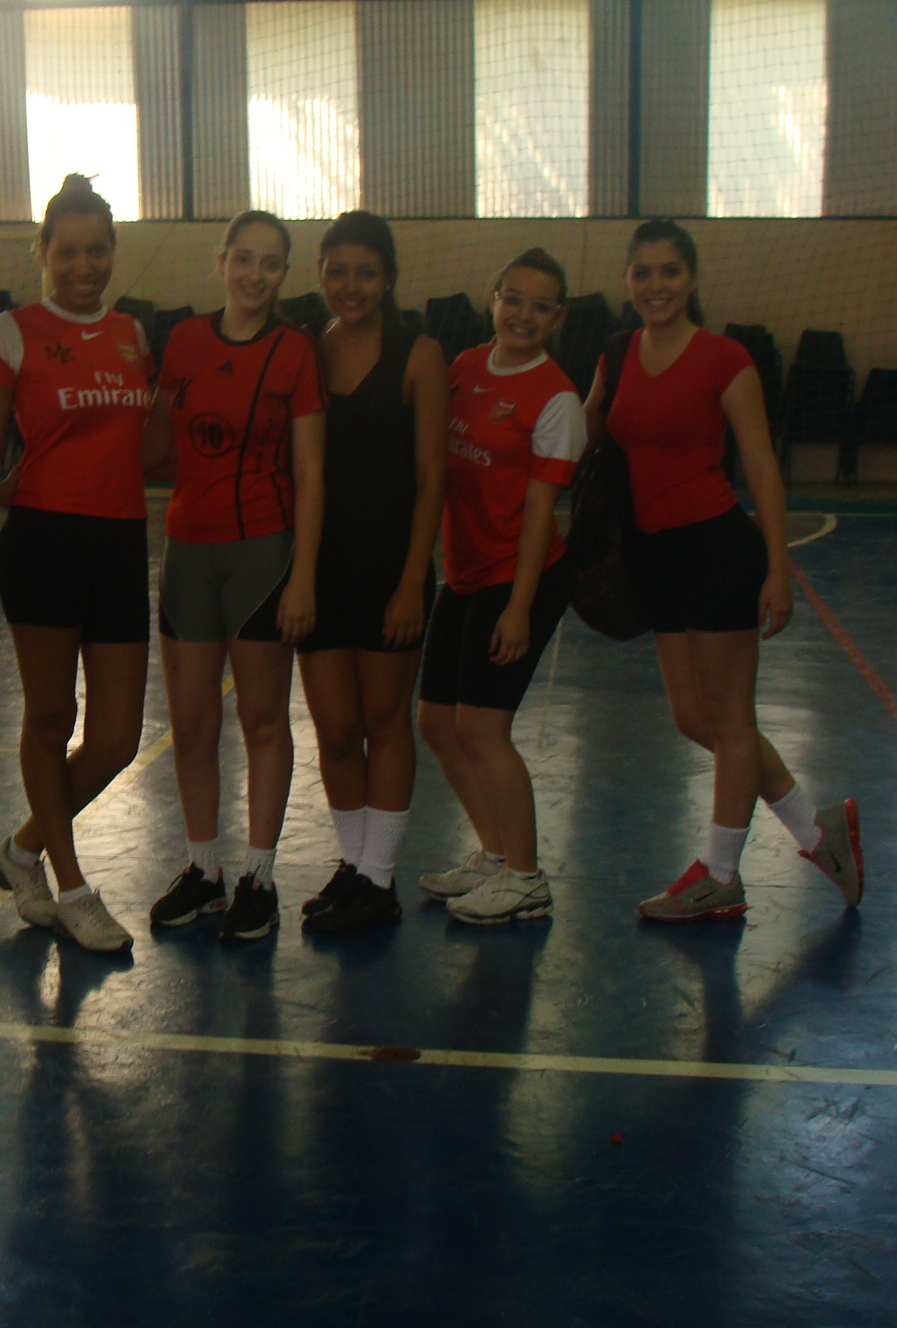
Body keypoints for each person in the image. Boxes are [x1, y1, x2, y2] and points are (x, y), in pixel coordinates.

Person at [586, 219, 862, 921]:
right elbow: (584, 430)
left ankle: (721, 876)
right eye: (642, 272)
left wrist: (779, 568)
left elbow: (762, 465)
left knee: (732, 720)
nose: (655, 285)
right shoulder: (616, 355)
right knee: (693, 718)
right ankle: (816, 832)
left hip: (716, 548)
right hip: (654, 557)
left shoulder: (725, 359)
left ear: (692, 279)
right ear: (627, 280)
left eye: (669, 271)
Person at [0, 175, 153, 953]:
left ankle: (21, 850)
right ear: (42, 252)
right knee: (50, 720)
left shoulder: (133, 335)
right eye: (66, 252)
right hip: (44, 544)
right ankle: (71, 888)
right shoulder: (12, 332)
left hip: (121, 543)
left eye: (96, 251)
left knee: (116, 739)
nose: (82, 266)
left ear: (113, 251)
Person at [143, 210, 325, 942]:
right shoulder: (185, 340)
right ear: (221, 261)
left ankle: (259, 876)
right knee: (190, 723)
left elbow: (311, 474)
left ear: (283, 275)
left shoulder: (294, 351)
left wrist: (302, 577)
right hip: (188, 551)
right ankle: (202, 870)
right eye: (243, 258)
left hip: (262, 555)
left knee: (262, 719)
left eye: (270, 263)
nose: (255, 275)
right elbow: (154, 443)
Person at [415, 249, 584, 924]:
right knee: (436, 723)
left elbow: (542, 511)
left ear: (557, 317)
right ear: (493, 299)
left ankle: (526, 877)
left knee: (483, 730)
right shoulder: (462, 369)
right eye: (513, 299)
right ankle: (493, 853)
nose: (523, 315)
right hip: (465, 572)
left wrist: (518, 608)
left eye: (540, 307)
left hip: (521, 576)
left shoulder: (557, 398)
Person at [295, 211, 447, 935]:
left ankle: (379, 879)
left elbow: (433, 478)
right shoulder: (307, 351)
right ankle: (355, 865)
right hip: (319, 569)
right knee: (335, 730)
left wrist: (413, 581)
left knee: (385, 724)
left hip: (391, 569)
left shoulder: (419, 355)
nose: (349, 286)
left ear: (387, 278)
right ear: (320, 273)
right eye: (336, 271)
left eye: (365, 272)